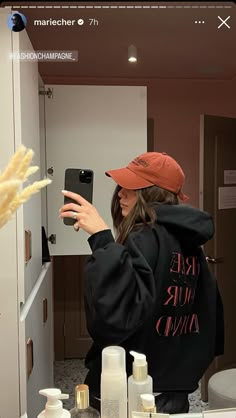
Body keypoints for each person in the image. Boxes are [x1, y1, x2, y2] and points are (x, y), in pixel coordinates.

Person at [59, 151, 224, 414]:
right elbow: (208, 311)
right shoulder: (190, 241)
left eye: (131, 188)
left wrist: (102, 238)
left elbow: (114, 316)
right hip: (174, 387)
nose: (120, 193)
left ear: (153, 194)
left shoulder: (144, 236)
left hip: (132, 389)